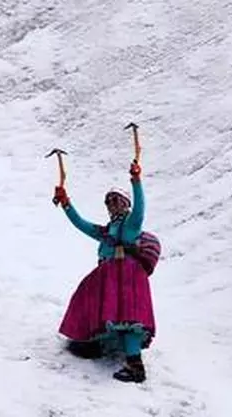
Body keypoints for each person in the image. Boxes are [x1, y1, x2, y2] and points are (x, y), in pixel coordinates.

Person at [53, 160, 155, 383]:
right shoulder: (107, 231)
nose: (111, 205)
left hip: (127, 276)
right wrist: (66, 203)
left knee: (129, 318)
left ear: (125, 203)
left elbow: (140, 209)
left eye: (116, 200)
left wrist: (136, 181)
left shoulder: (130, 225)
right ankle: (92, 342)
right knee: (90, 299)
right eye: (109, 202)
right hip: (110, 277)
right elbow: (81, 224)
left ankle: (135, 366)